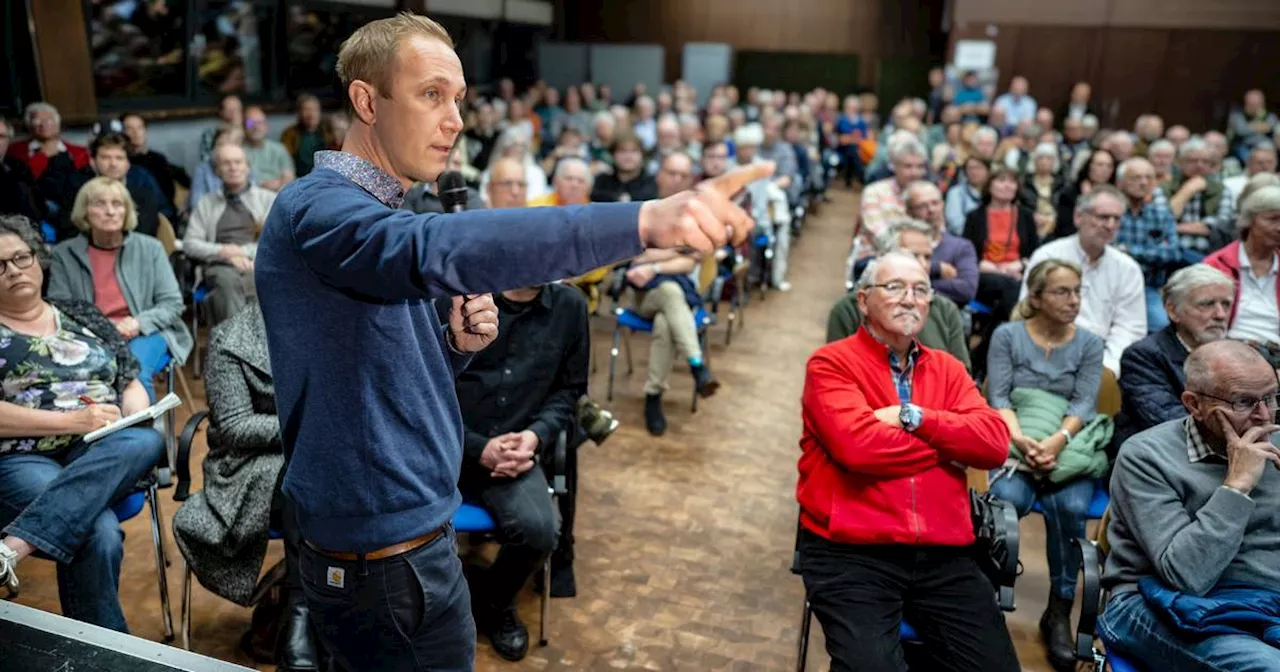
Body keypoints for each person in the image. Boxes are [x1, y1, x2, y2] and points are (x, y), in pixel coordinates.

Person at [254, 13, 768, 672]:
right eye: (431, 94)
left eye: (460, 100)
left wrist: (450, 343)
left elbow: (364, 370)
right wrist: (642, 220)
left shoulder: (379, 212)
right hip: (381, 560)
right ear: (366, 100)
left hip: (412, 540)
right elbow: (427, 248)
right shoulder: (316, 208)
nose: (455, 120)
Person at [798, 249, 1018, 671]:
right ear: (863, 301)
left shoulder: (949, 369)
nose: (909, 299)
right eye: (894, 287)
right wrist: (949, 442)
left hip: (942, 553)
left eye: (920, 290)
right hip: (852, 552)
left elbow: (993, 446)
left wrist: (912, 417)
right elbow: (857, 448)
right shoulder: (831, 364)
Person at [0, 214, 164, 631]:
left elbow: (127, 374)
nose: (14, 270)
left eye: (21, 257)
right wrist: (72, 419)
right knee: (99, 534)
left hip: (100, 445)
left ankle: (12, 548)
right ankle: (107, 654)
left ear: (39, 259)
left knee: (146, 441)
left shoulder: (80, 314)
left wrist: (133, 410)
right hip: (24, 455)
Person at [1101, 340, 1280, 670]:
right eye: (1245, 402)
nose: (1265, 416)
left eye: (1271, 397)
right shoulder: (1146, 456)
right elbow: (1187, 576)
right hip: (1157, 602)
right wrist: (1237, 485)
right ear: (1194, 404)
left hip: (1265, 603)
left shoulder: (1275, 441)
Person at [171, 302, 323, 671]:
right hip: (251, 466)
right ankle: (300, 606)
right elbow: (237, 427)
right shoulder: (232, 338)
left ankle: (330, 604)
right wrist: (314, 429)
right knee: (300, 476)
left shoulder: (336, 321)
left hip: (330, 461)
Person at [985, 259, 1106, 670]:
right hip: (1016, 439)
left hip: (1064, 446)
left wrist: (1055, 443)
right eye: (1062, 291)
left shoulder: (1089, 343)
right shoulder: (1008, 335)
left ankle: (1059, 609)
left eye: (1077, 291)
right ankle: (987, 596)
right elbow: (998, 396)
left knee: (1070, 508)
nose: (1073, 300)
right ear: (1035, 297)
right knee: (1004, 500)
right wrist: (1021, 441)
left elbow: (1085, 404)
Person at [46, 177, 192, 402]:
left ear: (127, 211)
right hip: (89, 335)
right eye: (99, 204)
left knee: (133, 372)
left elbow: (172, 303)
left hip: (147, 331)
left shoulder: (150, 248)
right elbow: (60, 307)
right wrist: (104, 328)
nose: (110, 211)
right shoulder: (64, 254)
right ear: (84, 211)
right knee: (83, 375)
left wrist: (137, 323)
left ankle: (141, 434)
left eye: (117, 204)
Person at [1023, 185, 1146, 377]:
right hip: (1048, 354)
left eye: (1117, 219)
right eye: (1103, 217)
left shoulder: (1127, 268)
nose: (1110, 225)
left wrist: (1109, 367)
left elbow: (1130, 328)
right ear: (1078, 217)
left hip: (1104, 361)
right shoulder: (1048, 255)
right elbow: (1028, 312)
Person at [1113, 264, 1234, 454]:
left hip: (1224, 452)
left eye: (1226, 304)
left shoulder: (1238, 353)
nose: (1220, 314)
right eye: (1207, 304)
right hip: (1159, 460)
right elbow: (1171, 424)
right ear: (1172, 310)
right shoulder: (1142, 356)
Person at [827, 219, 971, 371]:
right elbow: (837, 369)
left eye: (928, 257)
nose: (923, 265)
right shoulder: (848, 309)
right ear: (885, 256)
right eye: (913, 256)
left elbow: (962, 374)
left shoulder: (946, 309)